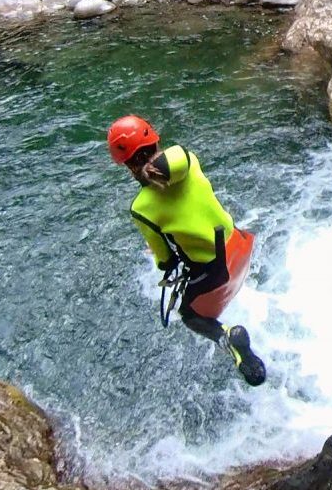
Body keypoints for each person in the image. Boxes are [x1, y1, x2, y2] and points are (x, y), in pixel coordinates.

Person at [107, 114, 266, 386]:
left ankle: (228, 337)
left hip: (215, 270)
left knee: (190, 315)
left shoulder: (141, 208)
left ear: (127, 165)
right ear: (155, 140)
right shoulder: (187, 158)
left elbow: (166, 262)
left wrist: (161, 255)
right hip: (240, 244)